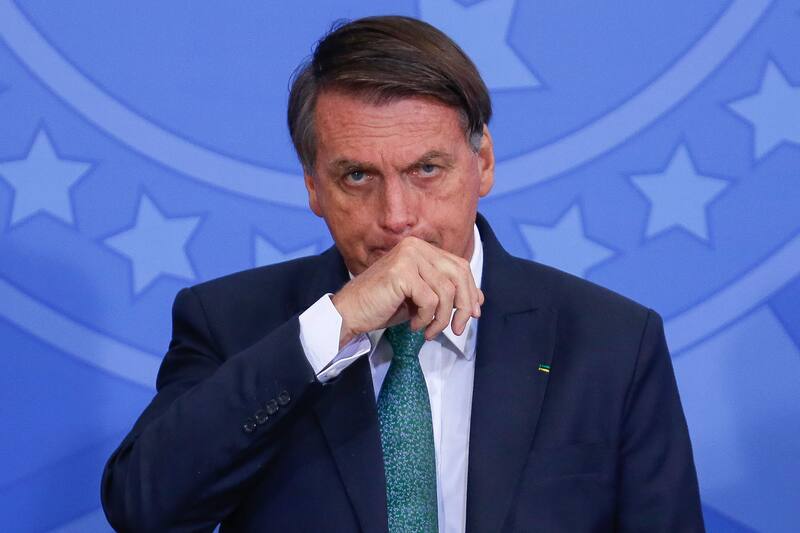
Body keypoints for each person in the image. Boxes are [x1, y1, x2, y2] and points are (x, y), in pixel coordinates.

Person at [101, 15, 704, 532]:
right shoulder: (232, 323)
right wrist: (332, 329)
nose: (397, 217)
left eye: (426, 170)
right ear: (313, 187)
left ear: (483, 163)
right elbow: (144, 511)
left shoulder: (610, 342)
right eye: (357, 176)